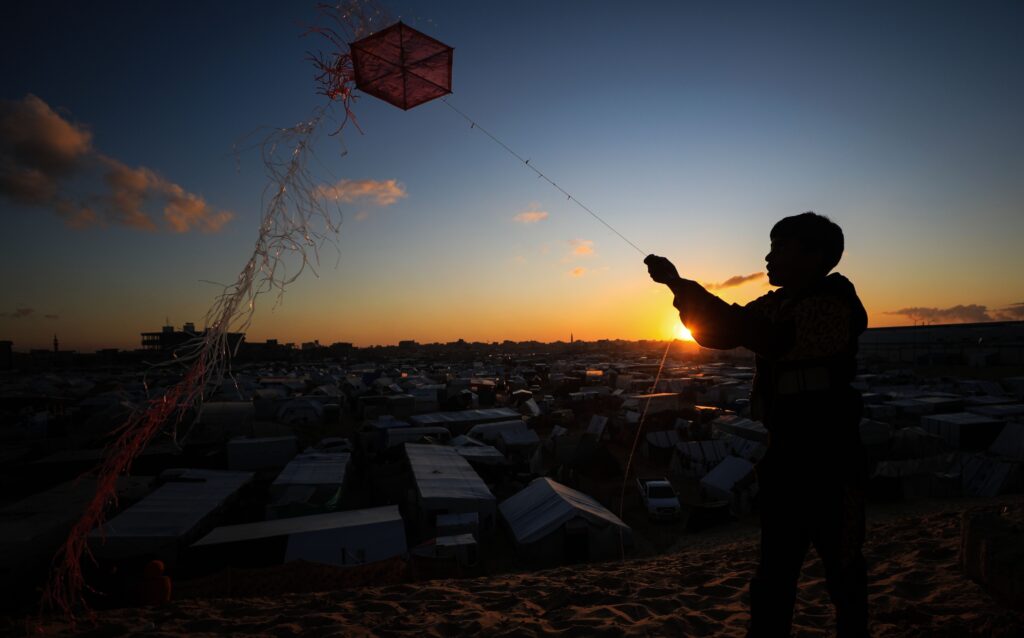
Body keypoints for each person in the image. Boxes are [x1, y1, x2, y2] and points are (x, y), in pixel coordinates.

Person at [646, 211, 869, 637]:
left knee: (843, 568)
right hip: (785, 456)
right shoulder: (777, 303)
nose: (768, 257)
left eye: (780, 247)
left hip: (831, 458)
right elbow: (721, 332)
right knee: (774, 572)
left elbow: (762, 335)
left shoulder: (834, 304)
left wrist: (680, 285)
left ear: (816, 255)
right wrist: (676, 285)